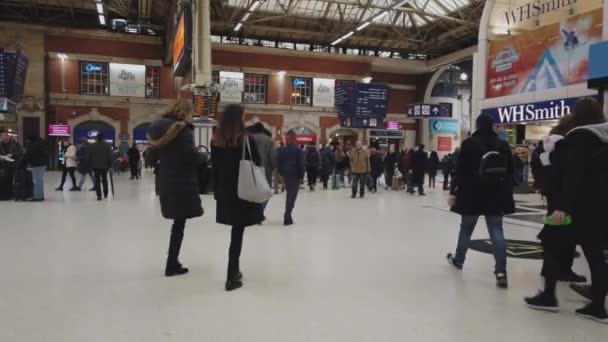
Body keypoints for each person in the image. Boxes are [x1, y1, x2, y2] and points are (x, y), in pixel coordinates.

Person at [525, 98, 608, 323]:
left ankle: (549, 296)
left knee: (552, 245)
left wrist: (562, 206)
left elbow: (573, 175)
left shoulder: (580, 137)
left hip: (574, 207)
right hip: (600, 208)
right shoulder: (604, 138)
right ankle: (598, 307)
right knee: (595, 255)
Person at [447, 114, 515, 289]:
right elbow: (510, 171)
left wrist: (453, 192)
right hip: (496, 196)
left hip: (471, 195)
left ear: (477, 125)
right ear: (492, 125)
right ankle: (501, 272)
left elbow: (460, 171)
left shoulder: (469, 144)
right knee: (496, 231)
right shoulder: (503, 144)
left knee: (466, 229)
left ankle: (459, 260)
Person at [148, 99, 205, 278]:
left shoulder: (157, 128)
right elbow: (189, 155)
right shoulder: (182, 130)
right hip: (181, 182)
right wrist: (203, 156)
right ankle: (171, 263)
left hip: (166, 179)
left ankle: (173, 261)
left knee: (178, 223)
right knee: (179, 223)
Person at [212, 104, 265, 291]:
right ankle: (231, 275)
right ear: (239, 118)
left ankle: (233, 271)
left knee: (235, 232)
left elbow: (215, 168)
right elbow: (257, 162)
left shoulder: (217, 141)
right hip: (243, 190)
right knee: (237, 233)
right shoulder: (246, 140)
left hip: (226, 191)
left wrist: (217, 192)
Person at [278, 130, 305, 226]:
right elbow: (301, 164)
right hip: (295, 175)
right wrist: (301, 176)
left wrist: (281, 174)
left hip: (285, 175)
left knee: (289, 194)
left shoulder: (282, 150)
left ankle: (288, 214)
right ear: (295, 138)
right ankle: (287, 216)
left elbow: (279, 163)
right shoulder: (298, 150)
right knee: (291, 196)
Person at [250, 122, 276, 214]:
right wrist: (273, 167)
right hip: (265, 171)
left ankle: (252, 212)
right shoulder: (269, 140)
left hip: (249, 170)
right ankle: (260, 212)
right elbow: (273, 157)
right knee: (265, 193)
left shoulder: (247, 139)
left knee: (250, 192)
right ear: (263, 130)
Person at [88, 133, 113, 201]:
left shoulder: (92, 145)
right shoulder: (108, 145)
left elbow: (89, 156)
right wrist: (111, 166)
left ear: (96, 138)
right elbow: (110, 156)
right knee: (104, 179)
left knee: (97, 180)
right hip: (105, 166)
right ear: (103, 138)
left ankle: (99, 195)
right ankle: (105, 193)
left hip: (95, 166)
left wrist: (90, 165)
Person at [23, 136, 48, 201]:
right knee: (40, 180)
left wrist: (26, 155)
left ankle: (37, 197)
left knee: (37, 181)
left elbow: (31, 154)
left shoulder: (34, 144)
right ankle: (41, 196)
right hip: (43, 164)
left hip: (37, 164)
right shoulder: (41, 143)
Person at [0, 130, 23, 200]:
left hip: (15, 164)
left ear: (8, 137)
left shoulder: (15, 143)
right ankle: (6, 194)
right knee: (6, 180)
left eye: (6, 139)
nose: (5, 140)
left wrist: (12, 154)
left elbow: (20, 152)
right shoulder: (0, 144)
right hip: (4, 165)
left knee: (15, 180)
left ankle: (14, 193)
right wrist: (2, 157)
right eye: (3, 139)